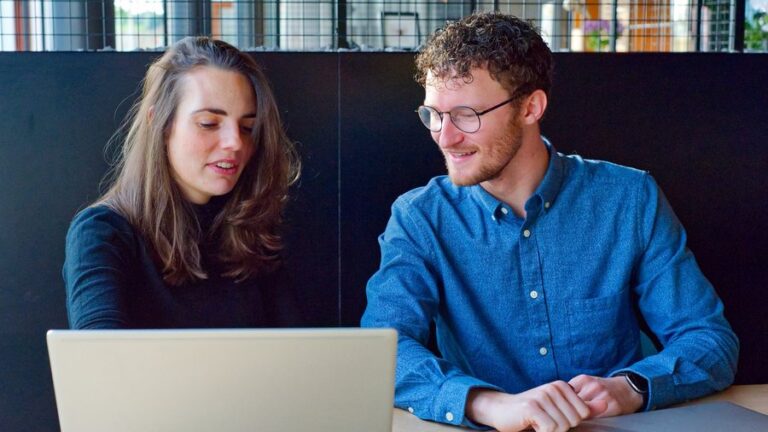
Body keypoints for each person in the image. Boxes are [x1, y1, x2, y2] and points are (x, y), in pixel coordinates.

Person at [361, 12, 738, 432]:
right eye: (434, 114)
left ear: (530, 107)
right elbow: (383, 352)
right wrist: (489, 404)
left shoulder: (629, 198)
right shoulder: (420, 218)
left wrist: (630, 388)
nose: (445, 137)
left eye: (466, 114)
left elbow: (709, 339)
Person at [64, 37, 301, 329]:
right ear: (161, 124)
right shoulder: (102, 233)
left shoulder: (250, 231)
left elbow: (294, 349)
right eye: (209, 123)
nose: (235, 142)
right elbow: (98, 352)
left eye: (247, 127)